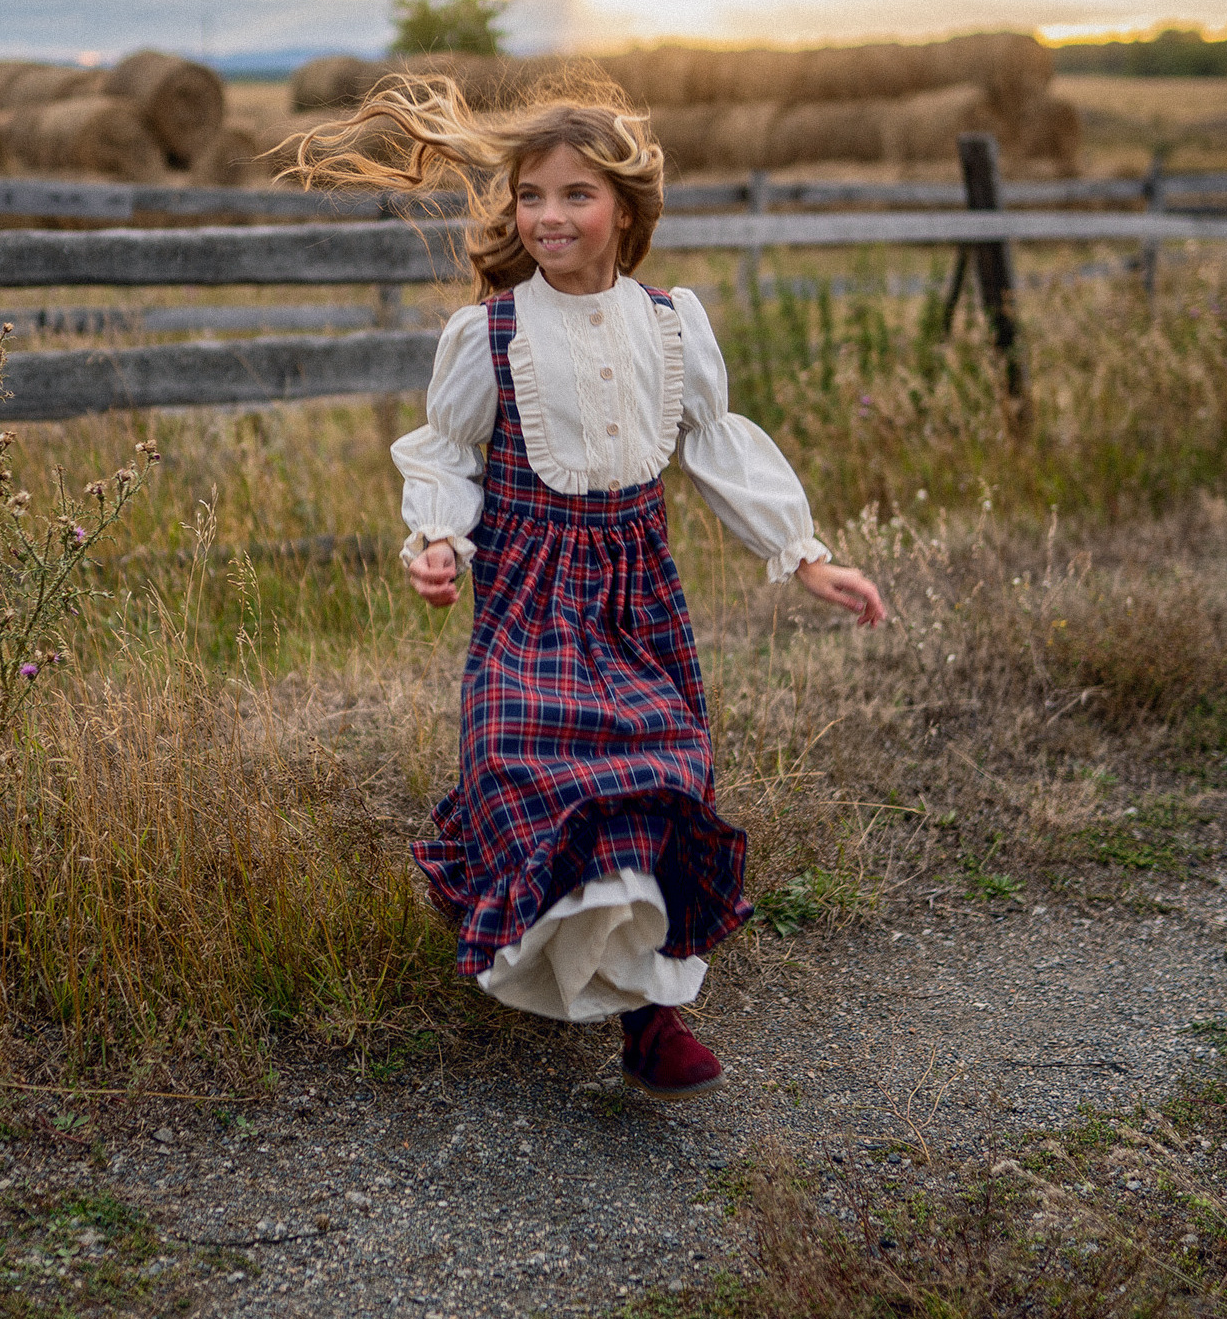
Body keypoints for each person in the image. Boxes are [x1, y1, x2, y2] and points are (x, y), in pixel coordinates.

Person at [294, 77, 886, 1099]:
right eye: (532, 196)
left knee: (658, 777)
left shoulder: (669, 324)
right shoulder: (488, 334)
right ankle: (529, 922)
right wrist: (437, 540)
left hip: (637, 592)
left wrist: (806, 554)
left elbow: (716, 448)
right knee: (530, 771)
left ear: (625, 208)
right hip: (530, 591)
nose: (550, 216)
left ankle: (653, 1025)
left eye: (575, 195)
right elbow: (446, 452)